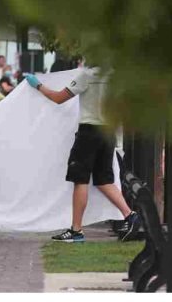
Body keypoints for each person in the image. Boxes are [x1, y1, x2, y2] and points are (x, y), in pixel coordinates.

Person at [25, 67, 141, 243]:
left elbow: (58, 98)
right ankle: (130, 215)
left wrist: (38, 85)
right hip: (108, 132)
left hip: (89, 132)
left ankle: (76, 230)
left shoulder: (87, 75)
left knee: (80, 179)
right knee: (104, 180)